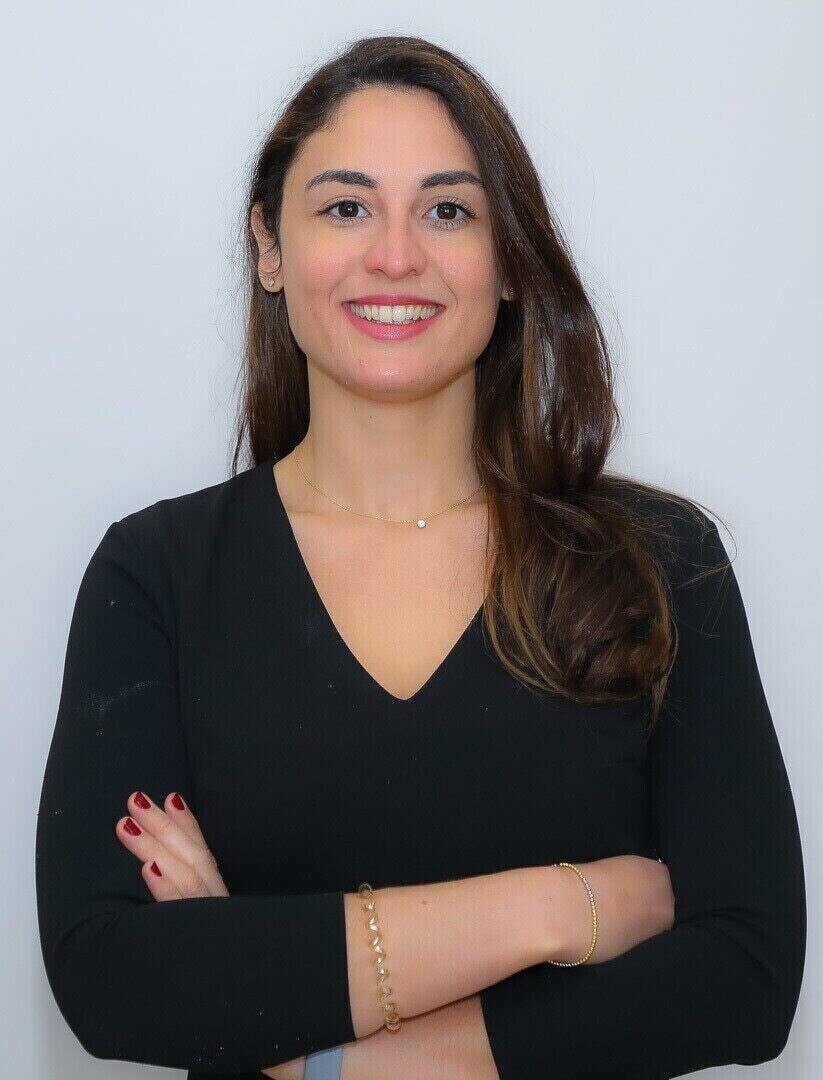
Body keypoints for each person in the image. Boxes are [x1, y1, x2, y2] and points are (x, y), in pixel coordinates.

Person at [35, 34, 806, 1080]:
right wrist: (561, 907)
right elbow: (114, 978)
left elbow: (743, 980)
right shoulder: (155, 576)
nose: (395, 256)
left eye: (447, 211)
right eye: (345, 208)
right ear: (269, 247)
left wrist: (311, 1048)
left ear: (508, 259)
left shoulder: (662, 564)